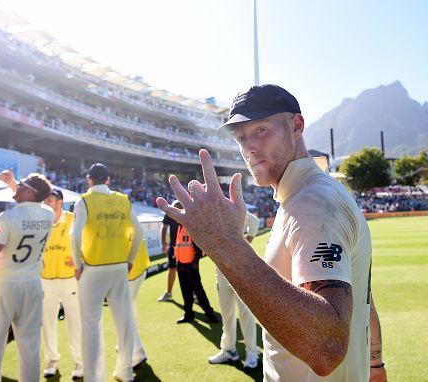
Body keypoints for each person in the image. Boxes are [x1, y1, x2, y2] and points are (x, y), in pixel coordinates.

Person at [157, 84, 387, 381]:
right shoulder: (304, 195)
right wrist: (375, 362)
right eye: (241, 138)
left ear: (296, 126)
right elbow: (359, 295)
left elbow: (326, 348)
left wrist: (226, 245)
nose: (249, 147)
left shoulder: (312, 203)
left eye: (261, 130)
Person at [0, 170, 83, 380]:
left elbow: (88, 241)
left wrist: (79, 258)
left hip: (70, 279)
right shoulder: (41, 217)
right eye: (46, 198)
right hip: (45, 280)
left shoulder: (73, 219)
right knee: (47, 324)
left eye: (52, 199)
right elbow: (24, 202)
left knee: (75, 322)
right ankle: (52, 360)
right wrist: (11, 184)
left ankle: (80, 362)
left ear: (60, 202)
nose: (47, 201)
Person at [71, 163, 143, 382]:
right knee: (124, 321)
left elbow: (75, 236)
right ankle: (125, 371)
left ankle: (94, 378)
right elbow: (138, 232)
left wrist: (77, 264)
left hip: (92, 269)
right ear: (108, 180)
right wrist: (130, 259)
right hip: (119, 267)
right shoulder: (122, 199)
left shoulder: (84, 200)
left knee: (91, 324)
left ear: (89, 179)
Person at [0, 173, 54, 381]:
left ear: (30, 192)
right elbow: (31, 204)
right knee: (30, 346)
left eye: (21, 186)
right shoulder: (48, 214)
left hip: (4, 285)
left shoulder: (8, 217)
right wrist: (13, 185)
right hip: (31, 284)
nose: (17, 188)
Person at [208, 211, 260, 369]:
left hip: (241, 267)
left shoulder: (229, 206)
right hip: (221, 269)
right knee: (227, 313)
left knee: (245, 314)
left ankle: (252, 354)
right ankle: (229, 350)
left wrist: (247, 242)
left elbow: (254, 221)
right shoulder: (207, 212)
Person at [163, 201, 218, 324]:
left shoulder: (191, 224)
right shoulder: (179, 225)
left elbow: (199, 245)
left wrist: (195, 260)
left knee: (198, 291)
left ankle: (210, 315)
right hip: (181, 264)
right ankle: (189, 314)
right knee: (185, 291)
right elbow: (179, 245)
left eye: (176, 210)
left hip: (191, 264)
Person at [127, 238, 150, 369]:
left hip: (131, 271)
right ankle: (127, 343)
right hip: (139, 268)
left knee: (125, 315)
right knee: (129, 307)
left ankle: (137, 354)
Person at [157, 209, 177, 302]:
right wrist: (163, 242)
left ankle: (195, 294)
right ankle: (169, 293)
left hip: (187, 247)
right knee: (172, 269)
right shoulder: (170, 211)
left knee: (190, 271)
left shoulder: (188, 208)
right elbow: (164, 227)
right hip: (174, 247)